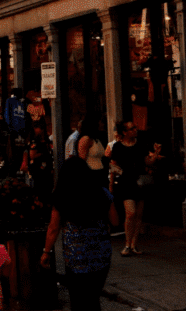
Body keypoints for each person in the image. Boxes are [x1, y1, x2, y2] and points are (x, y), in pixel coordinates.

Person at [41, 156, 119, 311]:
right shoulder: (101, 192)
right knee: (93, 297)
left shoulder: (62, 195)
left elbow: (53, 228)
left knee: (78, 299)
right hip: (101, 255)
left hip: (76, 256)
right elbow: (116, 221)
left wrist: (46, 251)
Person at [107, 120, 163, 256]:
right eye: (132, 129)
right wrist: (111, 184)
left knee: (138, 215)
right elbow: (112, 166)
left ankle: (133, 245)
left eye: (135, 128)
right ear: (124, 132)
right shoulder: (118, 147)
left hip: (139, 182)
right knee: (130, 213)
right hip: (126, 182)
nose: (135, 130)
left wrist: (155, 153)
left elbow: (147, 162)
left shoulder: (140, 145)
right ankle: (127, 244)